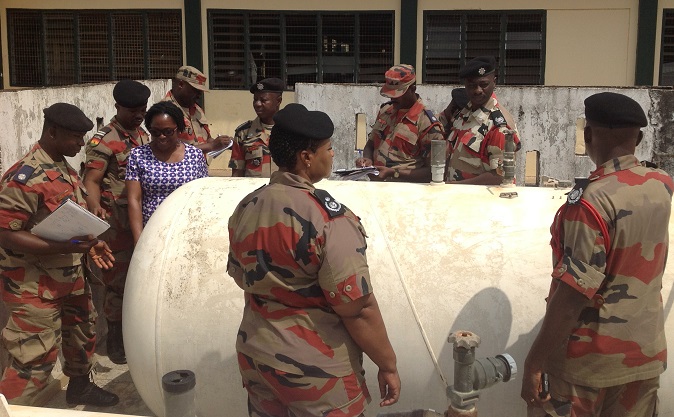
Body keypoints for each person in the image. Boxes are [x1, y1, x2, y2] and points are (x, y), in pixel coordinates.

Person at [228, 103, 400, 417]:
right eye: (329, 148)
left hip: (257, 359)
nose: (332, 155)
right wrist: (387, 364)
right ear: (307, 157)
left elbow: (241, 276)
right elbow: (357, 309)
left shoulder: (246, 206)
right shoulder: (328, 219)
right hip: (316, 373)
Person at [521, 92, 672, 417]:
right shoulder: (661, 185)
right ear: (640, 138)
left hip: (586, 369)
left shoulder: (590, 202)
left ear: (588, 135)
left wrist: (535, 361)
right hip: (643, 361)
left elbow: (575, 293)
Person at [0, 103, 118, 406]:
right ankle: (17, 408)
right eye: (76, 137)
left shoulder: (61, 167)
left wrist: (92, 242)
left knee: (81, 336)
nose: (81, 144)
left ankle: (80, 386)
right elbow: (6, 233)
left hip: (70, 276)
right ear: (52, 132)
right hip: (33, 284)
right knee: (34, 356)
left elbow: (65, 218)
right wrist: (64, 247)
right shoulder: (23, 177)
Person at [82, 79, 151, 365]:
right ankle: (115, 340)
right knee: (119, 284)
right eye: (132, 110)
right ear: (117, 107)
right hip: (115, 224)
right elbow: (91, 181)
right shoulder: (105, 139)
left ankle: (136, 333)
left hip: (142, 219)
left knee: (141, 280)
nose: (138, 115)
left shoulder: (144, 135)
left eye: (142, 109)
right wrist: (95, 209)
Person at [126, 101, 208, 244]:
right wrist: (139, 240)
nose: (162, 137)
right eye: (155, 132)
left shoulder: (195, 155)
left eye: (168, 131)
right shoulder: (138, 155)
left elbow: (203, 196)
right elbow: (134, 200)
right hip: (152, 232)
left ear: (179, 129)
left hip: (188, 231)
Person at [355, 64, 445, 182]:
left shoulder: (427, 123)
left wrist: (394, 173)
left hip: (406, 193)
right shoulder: (385, 111)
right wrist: (367, 159)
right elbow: (371, 144)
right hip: (378, 187)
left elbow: (433, 172)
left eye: (398, 94)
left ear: (412, 89)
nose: (393, 98)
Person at [445, 56, 521, 185]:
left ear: (494, 82)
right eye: (472, 85)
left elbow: (500, 176)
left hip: (481, 201)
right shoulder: (464, 113)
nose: (478, 90)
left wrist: (453, 186)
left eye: (484, 84)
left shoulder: (499, 125)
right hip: (457, 198)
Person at [163, 65, 232, 154]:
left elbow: (207, 139)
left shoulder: (197, 109)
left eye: (201, 91)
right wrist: (211, 146)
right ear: (181, 84)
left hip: (200, 166)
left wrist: (223, 143)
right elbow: (167, 150)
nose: (199, 95)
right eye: (196, 90)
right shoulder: (164, 112)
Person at [229, 78, 284, 177]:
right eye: (255, 100)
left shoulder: (290, 131)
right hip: (255, 192)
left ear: (278, 101)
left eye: (263, 100)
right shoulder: (243, 133)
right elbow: (237, 175)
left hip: (283, 191)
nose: (257, 104)